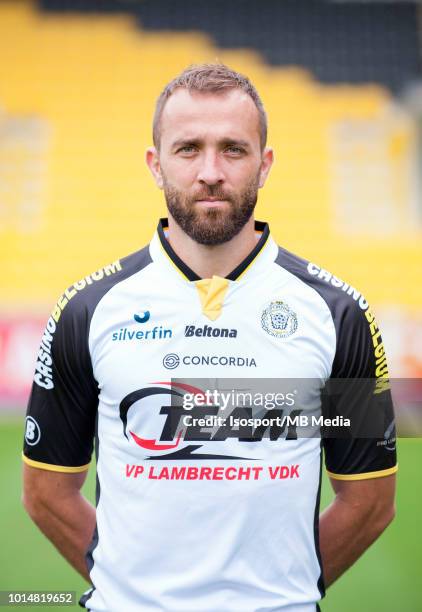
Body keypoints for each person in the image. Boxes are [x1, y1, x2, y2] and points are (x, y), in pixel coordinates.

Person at [22, 64, 397, 612]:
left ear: (265, 165)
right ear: (156, 164)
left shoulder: (339, 315)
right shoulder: (88, 310)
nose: (211, 171)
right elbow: (46, 493)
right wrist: (132, 592)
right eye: (188, 148)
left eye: (234, 149)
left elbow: (370, 502)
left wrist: (282, 596)